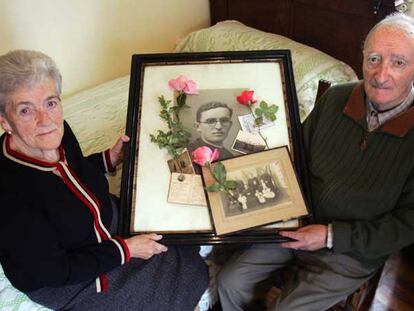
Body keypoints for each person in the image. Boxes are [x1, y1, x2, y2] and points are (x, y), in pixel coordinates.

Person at [216, 12, 414, 311]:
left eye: (398, 62)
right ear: (362, 57)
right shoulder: (335, 98)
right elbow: (295, 160)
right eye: (374, 58)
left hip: (353, 249)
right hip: (298, 223)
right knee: (230, 281)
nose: (382, 74)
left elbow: (407, 225)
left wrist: (331, 235)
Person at [0, 50, 208, 310]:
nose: (45, 120)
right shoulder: (8, 196)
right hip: (70, 274)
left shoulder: (58, 132)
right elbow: (53, 270)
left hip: (104, 223)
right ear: (5, 121)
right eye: (25, 110)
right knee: (179, 279)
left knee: (183, 233)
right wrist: (125, 250)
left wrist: (106, 159)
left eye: (51, 102)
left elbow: (70, 175)